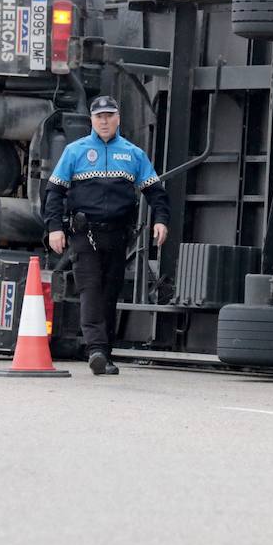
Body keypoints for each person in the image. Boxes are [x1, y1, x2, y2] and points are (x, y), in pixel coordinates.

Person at [43, 96, 170, 375]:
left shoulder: (133, 154)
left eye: (109, 115)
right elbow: (54, 193)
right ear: (91, 120)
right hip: (83, 234)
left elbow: (155, 192)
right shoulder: (75, 152)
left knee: (110, 293)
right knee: (91, 289)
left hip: (118, 234)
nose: (104, 121)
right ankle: (96, 349)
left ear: (118, 119)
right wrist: (54, 227)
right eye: (99, 116)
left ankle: (105, 353)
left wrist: (161, 221)